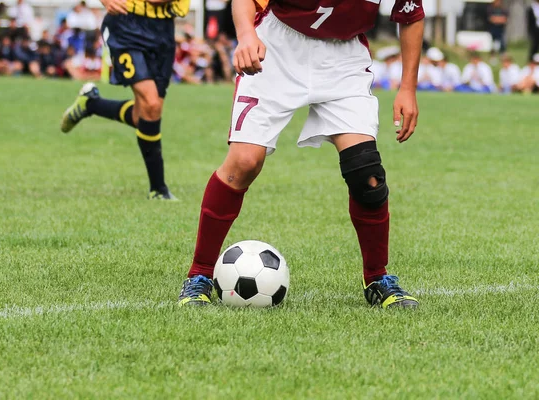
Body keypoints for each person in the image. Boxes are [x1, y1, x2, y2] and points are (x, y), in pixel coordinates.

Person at [178, 0, 424, 308]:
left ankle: (376, 277)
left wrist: (408, 88)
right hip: (277, 47)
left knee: (367, 174)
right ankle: (199, 275)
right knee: (244, 163)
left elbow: (410, 16)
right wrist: (246, 36)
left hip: (342, 59)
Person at [60, 0, 191, 200]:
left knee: (145, 116)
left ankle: (90, 103)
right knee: (151, 104)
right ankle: (158, 189)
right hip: (127, 25)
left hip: (164, 29)